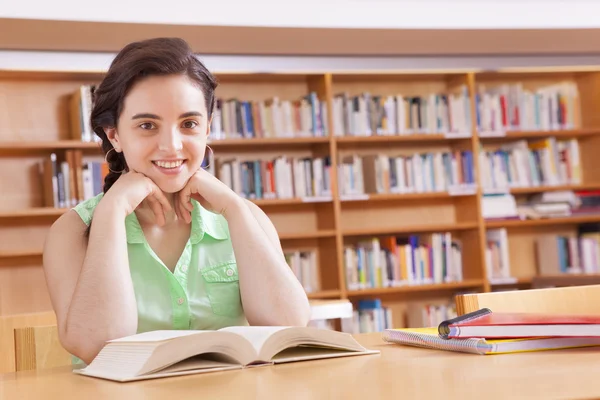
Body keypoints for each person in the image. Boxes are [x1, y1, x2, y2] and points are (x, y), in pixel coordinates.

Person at [42, 37, 311, 365]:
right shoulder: (72, 231)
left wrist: (235, 209)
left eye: (189, 124)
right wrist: (111, 212)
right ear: (114, 134)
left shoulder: (242, 216)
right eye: (147, 125)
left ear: (207, 129)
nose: (171, 145)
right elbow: (96, 346)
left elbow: (289, 327)